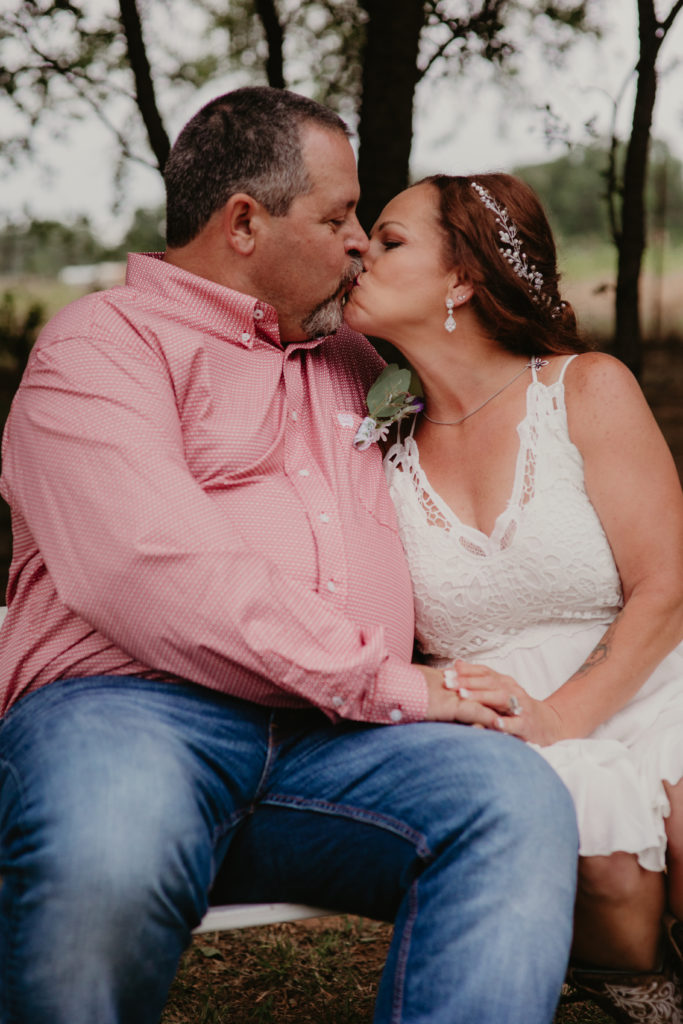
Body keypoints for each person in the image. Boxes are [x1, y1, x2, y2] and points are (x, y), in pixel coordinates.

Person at [0, 90, 578, 1024]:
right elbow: (149, 570)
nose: (358, 240)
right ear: (242, 224)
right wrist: (397, 685)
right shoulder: (101, 347)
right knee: (110, 844)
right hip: (133, 714)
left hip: (334, 747)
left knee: (511, 801)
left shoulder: (357, 358)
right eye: (338, 215)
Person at [343, 170, 683, 1023]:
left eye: (388, 240)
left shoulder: (584, 388)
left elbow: (666, 584)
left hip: (647, 675)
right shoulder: (371, 444)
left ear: (461, 277)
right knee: (593, 840)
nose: (358, 251)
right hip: (497, 720)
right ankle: (641, 992)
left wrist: (565, 713)